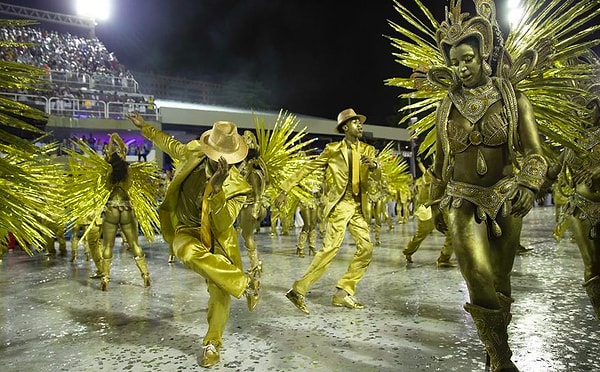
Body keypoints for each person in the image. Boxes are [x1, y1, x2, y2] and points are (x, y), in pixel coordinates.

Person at [425, 3, 549, 371]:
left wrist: (528, 183)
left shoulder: (512, 98)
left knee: (500, 278)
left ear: (483, 56)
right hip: (462, 198)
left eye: (468, 59)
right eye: (455, 63)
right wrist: (434, 202)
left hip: (506, 196)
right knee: (476, 275)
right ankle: (501, 359)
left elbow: (535, 153)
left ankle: (495, 347)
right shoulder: (446, 106)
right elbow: (439, 164)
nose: (462, 68)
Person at [127, 112, 260, 368]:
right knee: (185, 251)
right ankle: (246, 284)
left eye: (231, 161)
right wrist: (145, 127)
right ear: (209, 151)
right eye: (221, 158)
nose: (225, 164)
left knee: (220, 293)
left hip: (219, 241)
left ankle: (212, 343)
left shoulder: (240, 187)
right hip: (187, 229)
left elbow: (223, 224)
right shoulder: (192, 154)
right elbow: (169, 144)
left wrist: (219, 190)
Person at [276, 108, 380, 314]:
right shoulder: (333, 149)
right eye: (355, 123)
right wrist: (284, 188)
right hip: (340, 204)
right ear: (345, 127)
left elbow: (377, 179)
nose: (360, 126)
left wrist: (376, 166)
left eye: (361, 122)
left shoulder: (368, 150)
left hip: (359, 206)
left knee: (367, 248)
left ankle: (343, 292)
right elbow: (308, 168)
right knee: (331, 248)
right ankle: (299, 290)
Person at [545, 83, 600, 320]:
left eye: (590, 106)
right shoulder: (572, 143)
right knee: (592, 266)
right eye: (579, 108)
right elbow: (552, 171)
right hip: (581, 209)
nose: (586, 112)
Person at [98, 133, 152, 291]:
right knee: (134, 244)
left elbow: (108, 157)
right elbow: (123, 151)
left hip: (111, 209)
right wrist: (117, 139)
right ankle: (145, 275)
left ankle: (106, 278)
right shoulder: (128, 171)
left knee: (108, 245)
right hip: (127, 208)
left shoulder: (108, 173)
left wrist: (110, 140)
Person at [402, 170, 454, 267]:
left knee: (451, 234)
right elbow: (428, 196)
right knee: (421, 234)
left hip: (442, 209)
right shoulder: (429, 175)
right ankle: (408, 251)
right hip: (427, 210)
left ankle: (444, 258)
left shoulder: (447, 172)